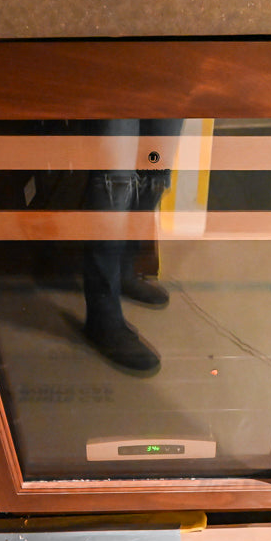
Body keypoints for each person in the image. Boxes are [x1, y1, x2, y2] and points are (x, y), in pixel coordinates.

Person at [82, 119, 179, 373]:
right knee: (114, 184)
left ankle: (124, 273)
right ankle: (103, 318)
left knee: (155, 174)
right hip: (114, 83)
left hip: (170, 84)